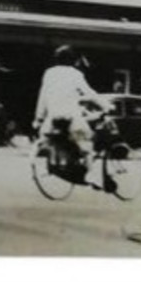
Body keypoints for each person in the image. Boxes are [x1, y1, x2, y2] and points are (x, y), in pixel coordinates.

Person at [32, 45, 106, 182]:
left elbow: (43, 97)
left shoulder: (49, 73)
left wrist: (38, 118)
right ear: (73, 60)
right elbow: (89, 93)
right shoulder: (75, 74)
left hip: (53, 117)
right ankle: (92, 175)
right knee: (87, 144)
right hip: (71, 116)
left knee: (47, 139)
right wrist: (105, 105)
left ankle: (46, 165)